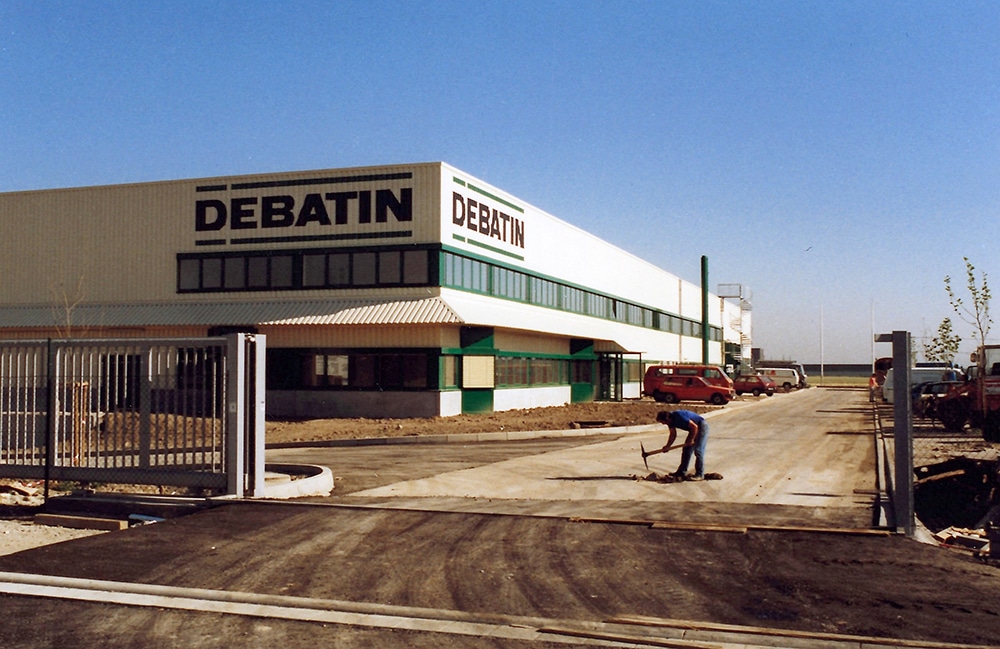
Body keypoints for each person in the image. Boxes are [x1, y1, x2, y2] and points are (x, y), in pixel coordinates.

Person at [655, 409, 708, 481]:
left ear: (667, 419)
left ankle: (700, 474)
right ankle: (681, 472)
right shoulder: (670, 422)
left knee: (698, 450)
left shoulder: (679, 416)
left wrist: (691, 440)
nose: (663, 424)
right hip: (693, 430)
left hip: (701, 426)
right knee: (686, 450)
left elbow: (694, 427)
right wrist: (668, 446)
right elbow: (673, 435)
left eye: (663, 422)